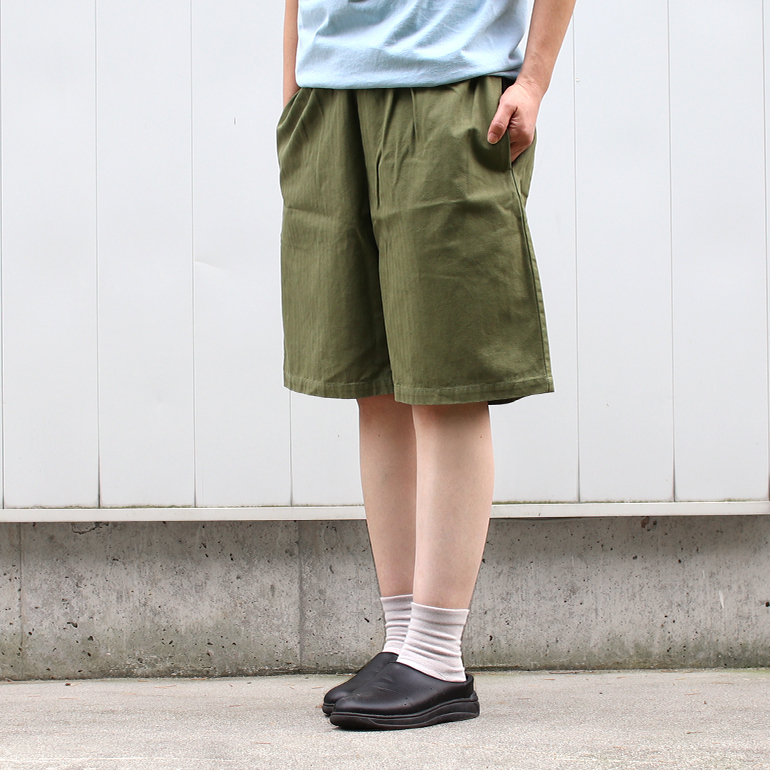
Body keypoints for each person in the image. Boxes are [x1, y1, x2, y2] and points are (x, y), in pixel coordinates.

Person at [277, 0, 576, 730]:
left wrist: (533, 80)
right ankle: (402, 643)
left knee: (446, 378)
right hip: (330, 96)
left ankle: (437, 655)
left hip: (450, 89)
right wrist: (293, 92)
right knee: (373, 384)